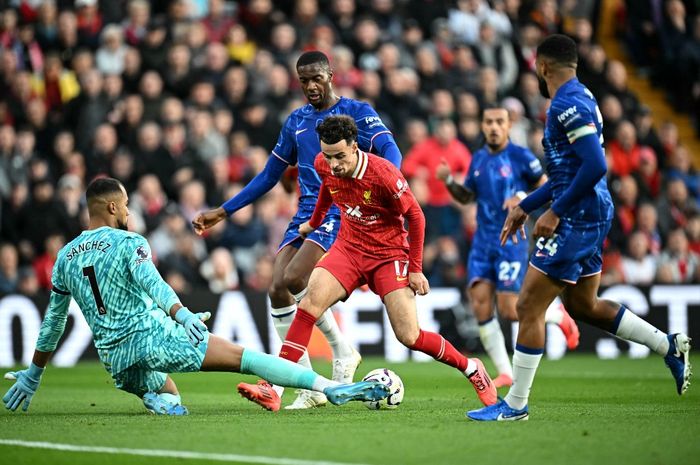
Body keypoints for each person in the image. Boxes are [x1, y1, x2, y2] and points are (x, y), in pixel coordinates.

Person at [2, 178, 389, 415]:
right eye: (127, 206)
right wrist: (181, 314)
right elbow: (154, 283)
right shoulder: (128, 242)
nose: (131, 212)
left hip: (114, 359)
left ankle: (159, 401)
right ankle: (330, 389)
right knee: (247, 358)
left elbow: (53, 322)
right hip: (152, 338)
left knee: (167, 388)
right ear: (114, 207)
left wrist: (34, 375)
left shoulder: (66, 256)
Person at [467, 35, 692, 422]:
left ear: (542, 67)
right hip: (590, 211)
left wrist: (555, 212)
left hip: (579, 217)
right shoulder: (580, 97)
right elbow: (568, 174)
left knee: (526, 306)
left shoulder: (567, 104)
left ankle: (516, 405)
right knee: (582, 305)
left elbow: (595, 166)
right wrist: (527, 206)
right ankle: (668, 345)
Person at [237, 115, 498, 412]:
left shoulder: (384, 174)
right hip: (348, 248)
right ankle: (274, 386)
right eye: (327, 155)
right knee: (308, 305)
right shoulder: (326, 164)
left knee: (409, 336)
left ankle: (472, 369)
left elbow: (416, 217)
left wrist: (415, 268)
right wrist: (314, 222)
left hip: (388, 255)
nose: (333, 163)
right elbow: (327, 188)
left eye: (340, 156)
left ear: (355, 147)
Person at [192, 51, 403, 409]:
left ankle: (327, 360)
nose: (310, 86)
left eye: (316, 78)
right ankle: (313, 381)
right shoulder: (296, 122)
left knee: (294, 279)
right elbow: (270, 175)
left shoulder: (359, 112)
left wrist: (383, 191)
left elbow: (391, 153)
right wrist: (224, 211)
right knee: (277, 288)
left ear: (331, 75)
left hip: (343, 207)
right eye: (303, 80)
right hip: (307, 212)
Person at [436, 104, 580, 388]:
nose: (493, 127)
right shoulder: (477, 159)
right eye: (488, 121)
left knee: (510, 309)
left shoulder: (521, 156)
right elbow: (467, 198)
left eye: (498, 122)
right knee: (479, 305)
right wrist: (449, 181)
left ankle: (556, 314)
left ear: (508, 125)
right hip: (482, 241)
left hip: (511, 240)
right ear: (482, 125)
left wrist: (522, 197)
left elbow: (550, 189)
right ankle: (505, 372)